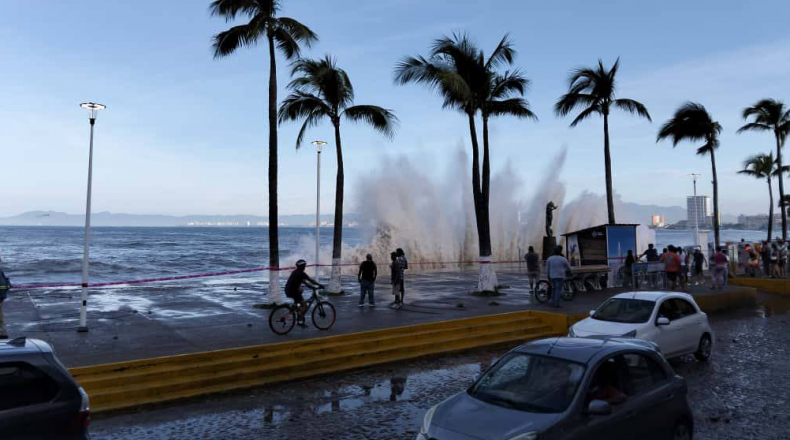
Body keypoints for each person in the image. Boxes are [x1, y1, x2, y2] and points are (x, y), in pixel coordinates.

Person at [284, 259, 324, 327]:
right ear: (302, 266)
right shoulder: (301, 273)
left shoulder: (295, 272)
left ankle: (295, 305)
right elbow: (311, 280)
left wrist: (311, 287)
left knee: (301, 289)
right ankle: (300, 322)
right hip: (293, 291)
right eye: (304, 266)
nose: (305, 267)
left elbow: (304, 282)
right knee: (305, 306)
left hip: (288, 290)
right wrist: (319, 285)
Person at [0, 256, 10, 339]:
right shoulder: (1, 271)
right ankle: (4, 332)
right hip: (2, 295)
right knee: (0, 315)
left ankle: (3, 332)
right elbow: (7, 282)